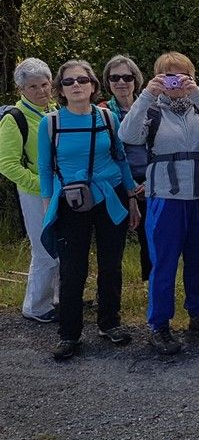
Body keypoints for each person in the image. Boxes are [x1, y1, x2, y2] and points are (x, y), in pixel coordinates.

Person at [119, 52, 199, 355]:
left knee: (197, 259)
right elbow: (127, 135)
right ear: (157, 78)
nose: (175, 81)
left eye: (182, 74)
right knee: (164, 263)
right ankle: (159, 324)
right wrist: (145, 95)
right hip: (165, 199)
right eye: (168, 75)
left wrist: (197, 93)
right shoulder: (151, 111)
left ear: (191, 76)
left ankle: (197, 313)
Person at [38, 60, 140, 360]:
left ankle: (110, 323)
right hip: (70, 202)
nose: (76, 86)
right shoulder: (51, 123)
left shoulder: (108, 118)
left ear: (93, 85)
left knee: (111, 264)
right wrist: (48, 207)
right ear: (61, 89)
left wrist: (132, 197)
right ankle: (69, 334)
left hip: (110, 196)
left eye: (82, 80)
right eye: (69, 82)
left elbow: (121, 159)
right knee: (73, 269)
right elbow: (45, 168)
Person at [0, 58, 59, 323]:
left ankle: (59, 298)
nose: (41, 91)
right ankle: (36, 306)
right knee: (44, 248)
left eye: (45, 84)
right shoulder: (15, 118)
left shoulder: (57, 110)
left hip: (63, 190)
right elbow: (7, 164)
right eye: (33, 86)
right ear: (21, 90)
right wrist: (40, 185)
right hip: (35, 192)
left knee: (62, 246)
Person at [100, 55, 151, 284]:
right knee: (112, 242)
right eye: (115, 77)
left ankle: (150, 291)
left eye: (127, 77)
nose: (121, 82)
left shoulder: (151, 107)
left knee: (151, 239)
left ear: (136, 80)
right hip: (117, 183)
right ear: (107, 81)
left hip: (149, 181)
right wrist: (129, 187)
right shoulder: (101, 112)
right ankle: (110, 296)